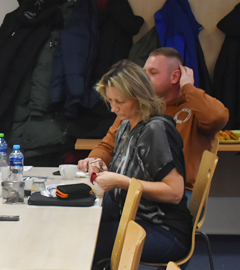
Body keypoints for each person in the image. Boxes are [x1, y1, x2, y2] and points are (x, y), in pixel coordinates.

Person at [90, 60, 193, 270]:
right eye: (110, 101)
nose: (113, 108)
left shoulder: (156, 130)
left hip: (165, 231)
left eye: (120, 101)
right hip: (138, 220)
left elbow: (175, 192)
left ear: (140, 97)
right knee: (85, 230)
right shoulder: (126, 126)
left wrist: (121, 181)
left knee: (89, 245)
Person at [79, 47, 229, 190]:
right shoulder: (137, 106)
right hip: (135, 186)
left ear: (175, 76)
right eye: (144, 72)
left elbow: (218, 118)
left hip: (179, 192)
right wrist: (95, 160)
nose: (145, 78)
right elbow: (108, 145)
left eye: (153, 72)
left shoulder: (194, 105)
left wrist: (188, 88)